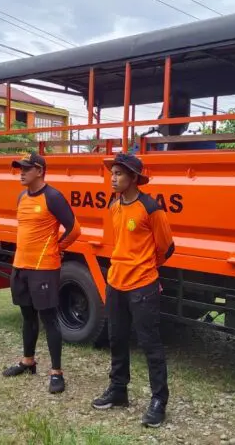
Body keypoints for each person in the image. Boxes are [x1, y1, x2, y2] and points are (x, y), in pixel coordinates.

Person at [91, 152, 175, 428]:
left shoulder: (151, 209)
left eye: (118, 174)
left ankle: (159, 400)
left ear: (134, 177)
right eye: (112, 173)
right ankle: (118, 391)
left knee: (150, 344)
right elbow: (120, 245)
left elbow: (167, 248)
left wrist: (147, 269)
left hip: (143, 285)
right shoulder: (114, 206)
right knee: (116, 338)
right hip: (116, 282)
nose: (112, 178)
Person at [2, 152, 81, 394]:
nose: (21, 173)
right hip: (21, 266)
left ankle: (56, 372)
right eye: (19, 169)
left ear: (39, 170)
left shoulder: (53, 197)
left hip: (44, 268)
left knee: (49, 319)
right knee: (27, 316)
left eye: (26, 168)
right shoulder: (21, 197)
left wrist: (58, 247)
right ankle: (28, 361)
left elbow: (74, 229)